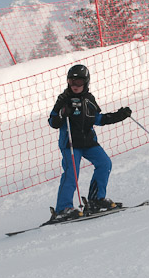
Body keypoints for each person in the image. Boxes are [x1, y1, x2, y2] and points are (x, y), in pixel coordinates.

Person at [48, 64, 132, 221]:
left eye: (79, 82)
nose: (75, 86)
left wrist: (120, 115)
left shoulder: (89, 99)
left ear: (86, 82)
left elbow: (98, 119)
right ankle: (63, 209)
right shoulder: (63, 99)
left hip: (88, 141)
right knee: (72, 174)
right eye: (72, 82)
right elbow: (53, 122)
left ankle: (96, 200)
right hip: (70, 144)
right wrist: (62, 114)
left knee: (105, 163)